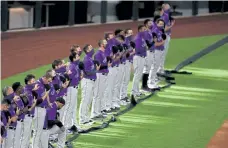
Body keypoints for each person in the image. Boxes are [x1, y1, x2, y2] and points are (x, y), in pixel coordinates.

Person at [79, 44, 100, 125]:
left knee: (89, 100)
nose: (92, 49)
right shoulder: (86, 59)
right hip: (87, 81)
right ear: (87, 50)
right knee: (85, 100)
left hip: (91, 81)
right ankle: (82, 119)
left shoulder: (90, 58)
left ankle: (86, 118)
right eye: (91, 48)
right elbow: (87, 72)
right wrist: (96, 70)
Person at [32, 71, 52, 148]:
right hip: (37, 109)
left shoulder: (44, 84)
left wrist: (49, 102)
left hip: (42, 109)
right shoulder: (38, 85)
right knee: (37, 131)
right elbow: (39, 100)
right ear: (44, 78)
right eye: (48, 80)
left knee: (39, 131)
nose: (49, 82)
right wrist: (47, 93)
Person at [91, 39, 111, 119]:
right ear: (101, 44)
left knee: (101, 94)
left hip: (104, 75)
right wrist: (107, 65)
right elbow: (97, 67)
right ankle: (94, 113)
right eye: (105, 43)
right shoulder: (98, 54)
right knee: (97, 95)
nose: (107, 43)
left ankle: (99, 111)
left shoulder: (103, 53)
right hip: (99, 75)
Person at [63, 53, 81, 131]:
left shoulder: (75, 65)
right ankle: (66, 126)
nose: (79, 57)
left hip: (75, 88)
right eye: (77, 57)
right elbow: (67, 78)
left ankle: (72, 124)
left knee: (72, 107)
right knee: (69, 107)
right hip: (71, 88)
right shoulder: (72, 66)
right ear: (73, 59)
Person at [147, 19, 167, 90]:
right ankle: (150, 82)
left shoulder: (161, 31)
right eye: (160, 24)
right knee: (154, 66)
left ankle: (154, 79)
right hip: (156, 50)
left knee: (157, 65)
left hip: (161, 50)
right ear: (156, 24)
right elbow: (155, 43)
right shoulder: (154, 32)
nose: (161, 25)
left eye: (162, 24)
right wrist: (163, 42)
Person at [22, 74, 38, 148]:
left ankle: (27, 146)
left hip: (30, 116)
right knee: (26, 135)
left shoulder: (30, 90)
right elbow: (28, 107)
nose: (35, 82)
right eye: (33, 81)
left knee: (28, 134)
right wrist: (34, 103)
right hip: (26, 116)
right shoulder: (26, 92)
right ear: (28, 82)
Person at [131, 25, 148, 98]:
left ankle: (137, 91)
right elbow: (138, 50)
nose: (145, 31)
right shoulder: (138, 39)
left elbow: (145, 47)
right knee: (137, 75)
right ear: (140, 30)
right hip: (138, 58)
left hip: (142, 57)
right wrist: (144, 49)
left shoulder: (142, 38)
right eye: (144, 29)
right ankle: (134, 92)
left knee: (139, 75)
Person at [120, 28, 135, 101]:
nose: (131, 34)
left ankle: (124, 95)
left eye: (132, 33)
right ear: (125, 34)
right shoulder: (125, 42)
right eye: (129, 33)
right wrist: (133, 52)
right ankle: (122, 96)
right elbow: (125, 54)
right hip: (125, 62)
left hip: (129, 62)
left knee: (127, 79)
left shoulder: (130, 41)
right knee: (124, 79)